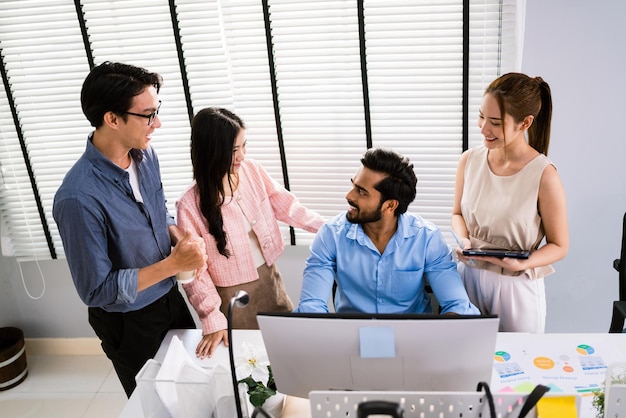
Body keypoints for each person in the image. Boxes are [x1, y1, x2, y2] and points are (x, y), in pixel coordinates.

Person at [52, 62, 207, 397]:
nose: (158, 123)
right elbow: (96, 291)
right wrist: (172, 265)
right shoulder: (77, 198)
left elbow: (158, 214)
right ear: (112, 119)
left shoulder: (146, 157)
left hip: (170, 299)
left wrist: (180, 238)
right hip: (129, 323)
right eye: (148, 115)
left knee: (193, 390)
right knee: (155, 403)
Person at [176, 107, 325, 358]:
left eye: (244, 146)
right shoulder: (189, 205)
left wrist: (331, 229)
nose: (242, 156)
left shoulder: (252, 170)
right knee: (250, 361)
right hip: (232, 296)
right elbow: (195, 275)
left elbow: (287, 206)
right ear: (212, 151)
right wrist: (212, 318)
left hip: (270, 279)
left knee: (288, 351)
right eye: (234, 150)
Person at [295, 147, 479, 316]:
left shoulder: (427, 238)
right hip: (352, 337)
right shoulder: (330, 235)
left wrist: (443, 336)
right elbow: (311, 306)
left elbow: (458, 306)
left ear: (390, 205)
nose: (349, 196)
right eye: (353, 186)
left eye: (361, 192)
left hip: (412, 337)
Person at [451, 72, 569, 333]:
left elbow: (560, 246)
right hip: (467, 277)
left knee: (519, 367)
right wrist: (464, 240)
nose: (483, 128)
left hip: (515, 287)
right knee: (464, 364)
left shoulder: (544, 175)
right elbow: (457, 214)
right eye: (481, 116)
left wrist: (524, 263)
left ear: (525, 123)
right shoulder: (469, 160)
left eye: (494, 122)